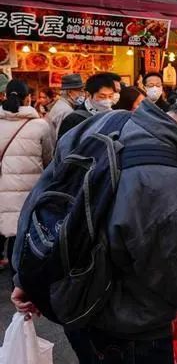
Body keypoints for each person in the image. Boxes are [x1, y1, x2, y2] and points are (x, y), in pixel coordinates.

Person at [11, 72, 177, 364]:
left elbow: (47, 196)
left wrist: (30, 273)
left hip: (81, 312)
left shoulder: (105, 123)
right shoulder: (169, 187)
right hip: (129, 336)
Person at [0, 79, 53, 269]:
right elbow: (49, 159)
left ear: (5, 96)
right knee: (19, 235)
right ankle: (18, 282)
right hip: (27, 192)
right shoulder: (40, 125)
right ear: (29, 98)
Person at [58, 73, 117, 139]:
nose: (107, 100)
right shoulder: (74, 119)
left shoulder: (114, 115)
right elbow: (63, 146)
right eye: (102, 96)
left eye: (110, 96)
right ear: (88, 94)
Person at [46, 74, 85, 139]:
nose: (82, 94)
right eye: (80, 91)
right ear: (69, 92)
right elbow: (62, 137)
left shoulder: (61, 104)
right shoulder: (66, 110)